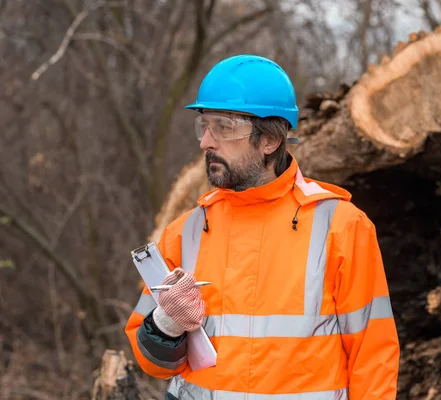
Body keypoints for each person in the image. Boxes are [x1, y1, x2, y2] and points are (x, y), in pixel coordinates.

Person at [125, 54, 400, 400]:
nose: (206, 142)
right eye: (205, 125)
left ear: (269, 140)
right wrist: (165, 326)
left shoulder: (342, 228)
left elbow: (373, 360)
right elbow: (151, 364)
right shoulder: (186, 232)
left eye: (224, 127)